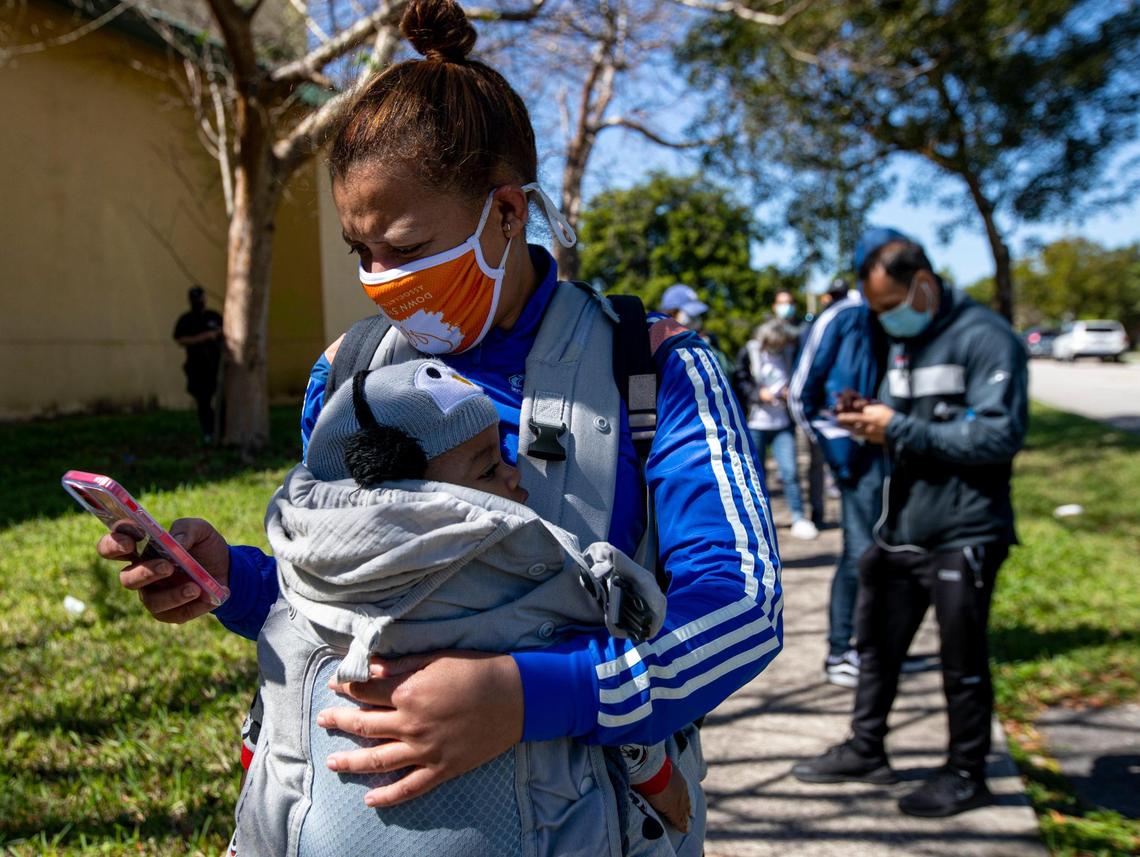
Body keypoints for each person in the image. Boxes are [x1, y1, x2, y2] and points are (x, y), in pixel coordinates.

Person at [99, 0, 782, 843]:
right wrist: (228, 582)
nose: (382, 280)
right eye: (362, 253)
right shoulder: (347, 375)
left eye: (409, 248)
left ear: (507, 213)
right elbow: (341, 597)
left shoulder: (653, 369)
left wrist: (529, 696)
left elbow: (740, 612)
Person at [236, 359, 693, 855]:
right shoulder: (528, 575)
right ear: (408, 492)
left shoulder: (303, 577)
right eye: (489, 468)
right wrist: (660, 778)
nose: (517, 475)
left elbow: (274, 731)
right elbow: (609, 726)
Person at [791, 231, 1028, 818]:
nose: (884, 320)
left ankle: (967, 772)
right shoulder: (904, 340)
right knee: (877, 646)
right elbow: (905, 416)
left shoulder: (986, 338)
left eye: (890, 306)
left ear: (922, 284)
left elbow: (999, 435)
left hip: (965, 529)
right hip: (903, 526)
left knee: (961, 660)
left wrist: (896, 428)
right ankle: (867, 749)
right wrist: (865, 416)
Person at [789, 267, 888, 687]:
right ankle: (840, 649)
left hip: (900, 458)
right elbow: (801, 395)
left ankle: (880, 649)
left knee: (894, 558)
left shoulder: (897, 319)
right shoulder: (842, 317)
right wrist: (839, 452)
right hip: (858, 460)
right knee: (859, 555)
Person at [739, 320, 818, 541]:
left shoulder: (789, 354)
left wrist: (788, 393)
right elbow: (740, 381)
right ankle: (757, 521)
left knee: (790, 472)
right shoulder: (750, 351)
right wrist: (757, 394)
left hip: (782, 422)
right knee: (755, 475)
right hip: (756, 423)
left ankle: (799, 517)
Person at [172, 285, 223, 443]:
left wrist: (215, 334)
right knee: (204, 402)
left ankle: (221, 431)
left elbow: (226, 331)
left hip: (216, 365)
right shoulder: (186, 319)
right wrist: (202, 338)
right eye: (196, 298)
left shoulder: (213, 316)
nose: (199, 301)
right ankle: (208, 433)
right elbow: (179, 339)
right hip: (197, 367)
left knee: (222, 401)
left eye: (201, 297)